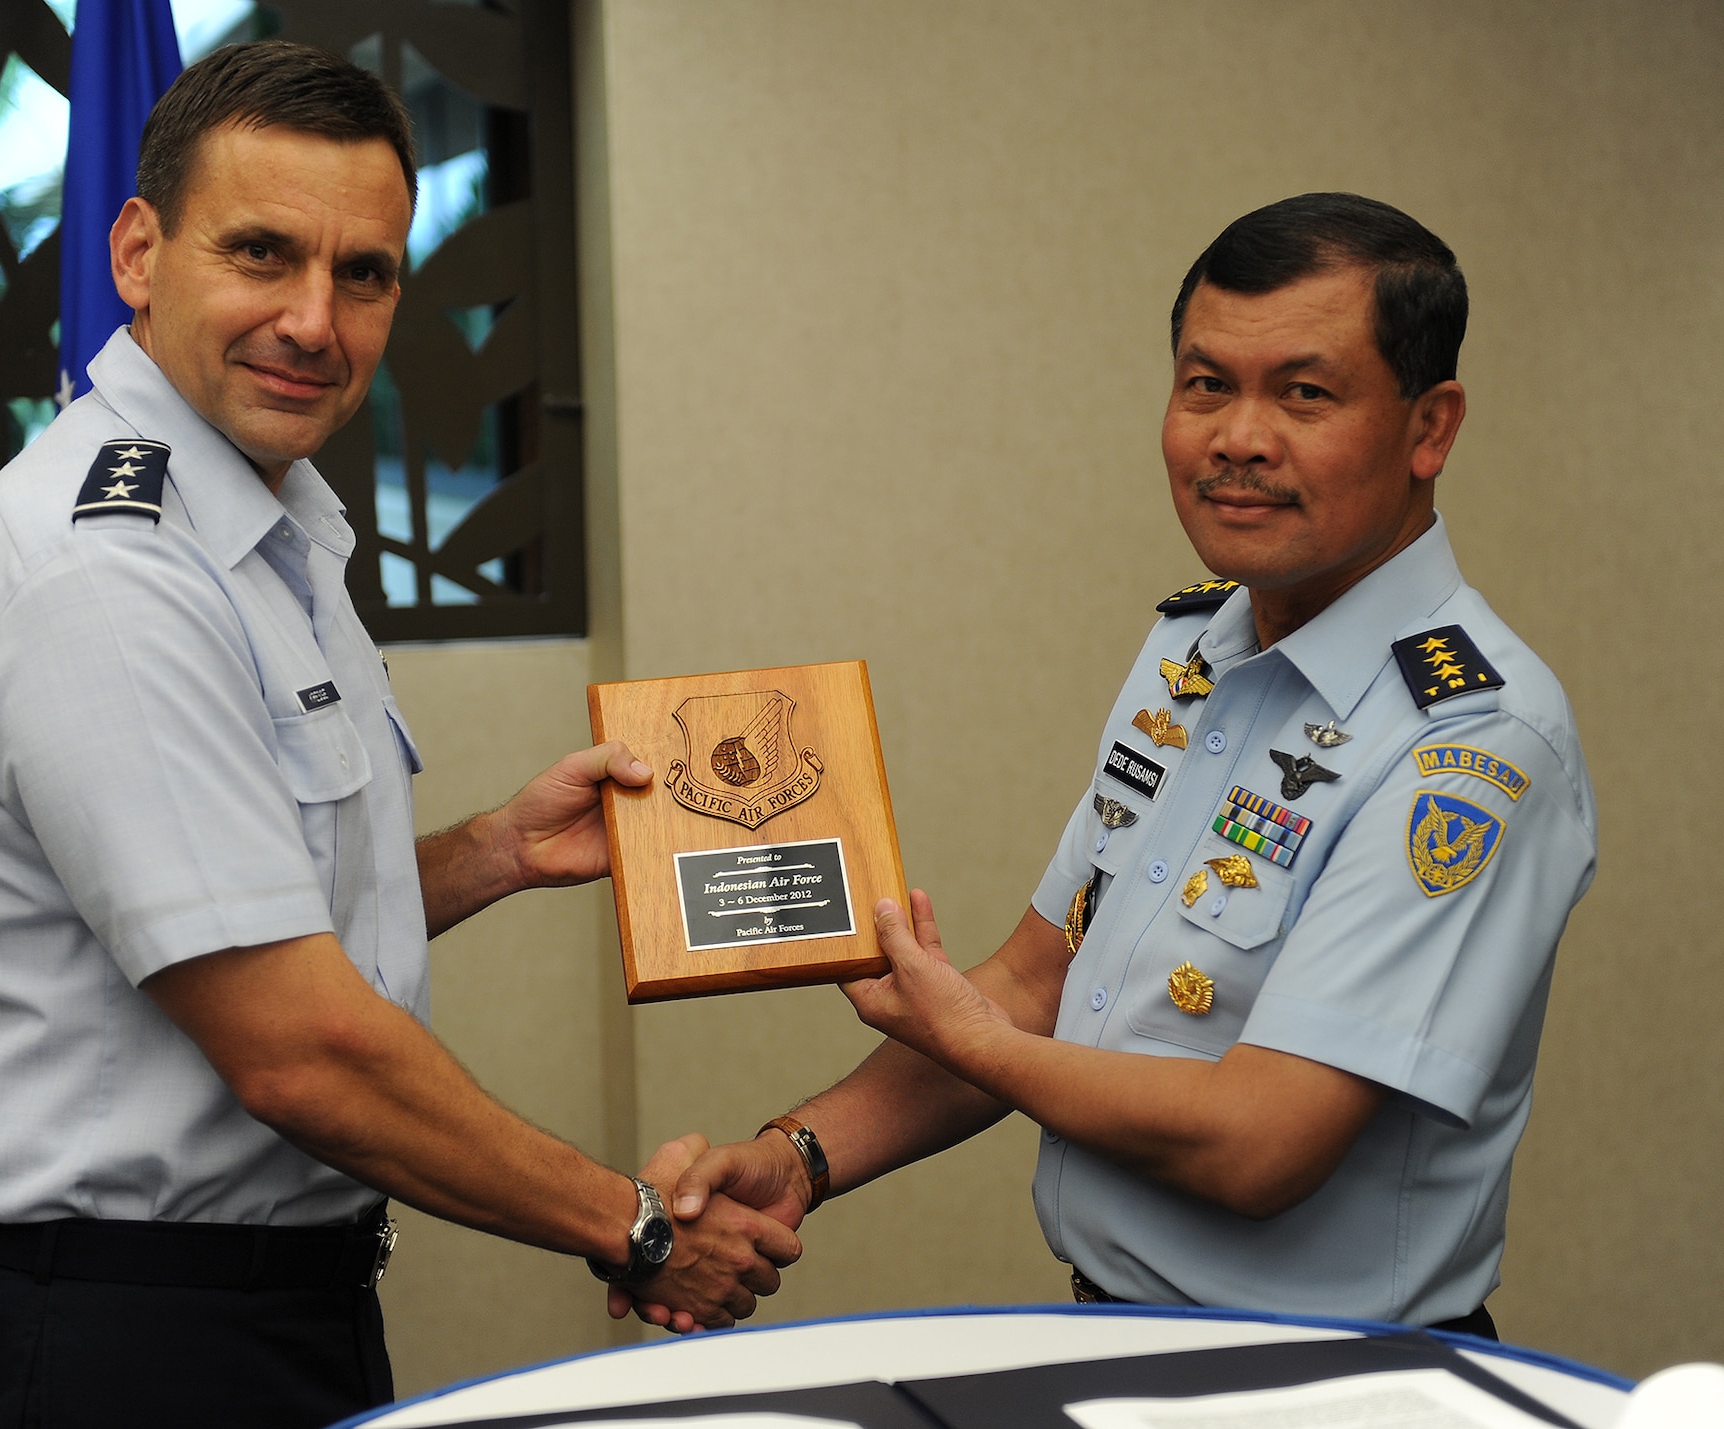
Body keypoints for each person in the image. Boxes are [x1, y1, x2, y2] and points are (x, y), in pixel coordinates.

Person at [0, 41, 795, 1429]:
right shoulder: (109, 571)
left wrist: (490, 852)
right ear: (138, 254)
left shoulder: (266, 521)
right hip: (112, 1346)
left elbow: (239, 905)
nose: (314, 320)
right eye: (261, 252)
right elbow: (295, 1048)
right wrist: (637, 1225)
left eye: (362, 272)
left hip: (255, 1314)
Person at [629, 193, 1596, 1337]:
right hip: (1116, 1337)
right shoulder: (1192, 648)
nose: (1237, 438)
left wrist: (969, 1037)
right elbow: (1036, 983)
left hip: (1327, 1383)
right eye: (1205, 384)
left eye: (1303, 393)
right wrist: (800, 1155)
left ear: (1428, 428)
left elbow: (1260, 1141)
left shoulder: (1470, 741)